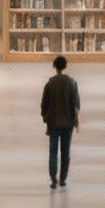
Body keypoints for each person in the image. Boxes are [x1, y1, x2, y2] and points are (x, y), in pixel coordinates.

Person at [40, 54, 81, 190]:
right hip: (68, 124)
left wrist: (46, 119)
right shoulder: (72, 83)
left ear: (54, 67)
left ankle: (53, 179)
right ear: (65, 66)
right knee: (65, 152)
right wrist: (76, 122)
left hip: (53, 124)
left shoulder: (50, 83)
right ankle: (63, 179)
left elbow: (44, 105)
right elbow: (76, 105)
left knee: (53, 152)